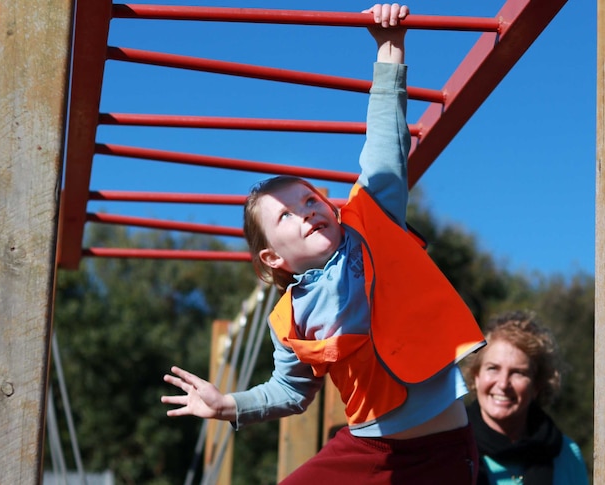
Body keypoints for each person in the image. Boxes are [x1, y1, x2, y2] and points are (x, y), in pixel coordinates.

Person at [161, 4, 486, 483]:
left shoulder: (373, 221)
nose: (306, 211)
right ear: (272, 256)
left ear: (330, 208)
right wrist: (228, 404)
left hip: (440, 447)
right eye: (286, 215)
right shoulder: (288, 319)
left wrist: (389, 49)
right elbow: (290, 392)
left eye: (310, 199)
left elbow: (384, 146)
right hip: (369, 446)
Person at [463, 311, 589, 485]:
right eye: (493, 368)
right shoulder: (450, 450)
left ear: (537, 385)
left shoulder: (566, 454)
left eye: (518, 373)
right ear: (476, 376)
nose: (503, 384)